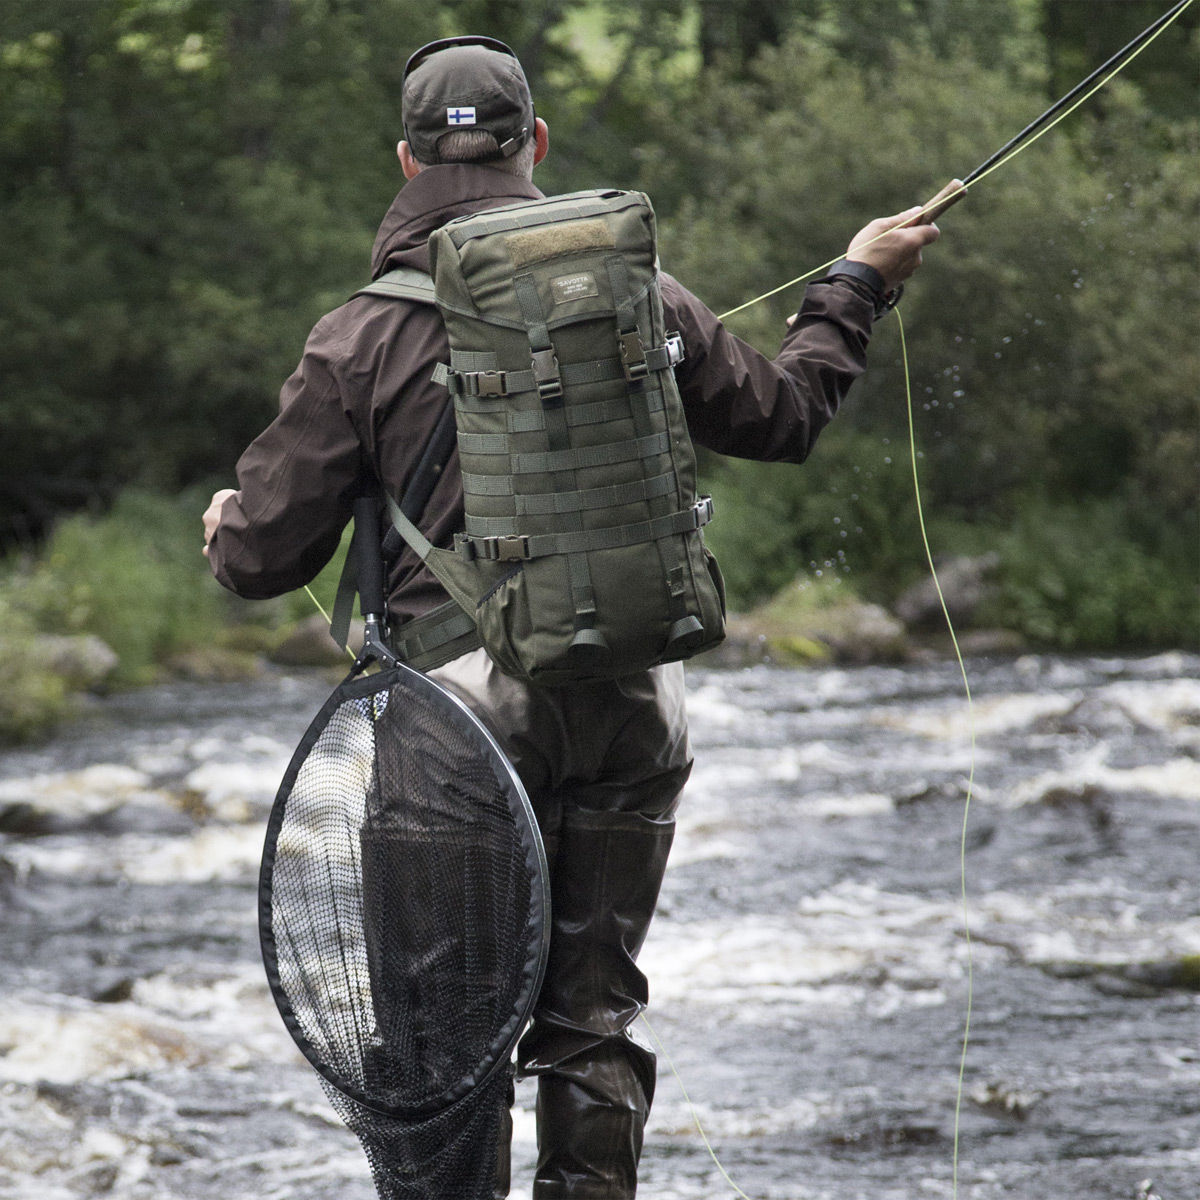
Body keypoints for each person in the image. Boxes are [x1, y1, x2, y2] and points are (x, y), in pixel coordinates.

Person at [203, 35, 943, 1199]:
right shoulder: (640, 291)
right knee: (592, 1022)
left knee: (447, 1054)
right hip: (637, 707)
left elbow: (257, 560)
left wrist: (221, 526)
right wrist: (856, 280)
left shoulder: (357, 336)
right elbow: (788, 415)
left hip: (453, 734)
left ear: (405, 161)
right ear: (533, 143)